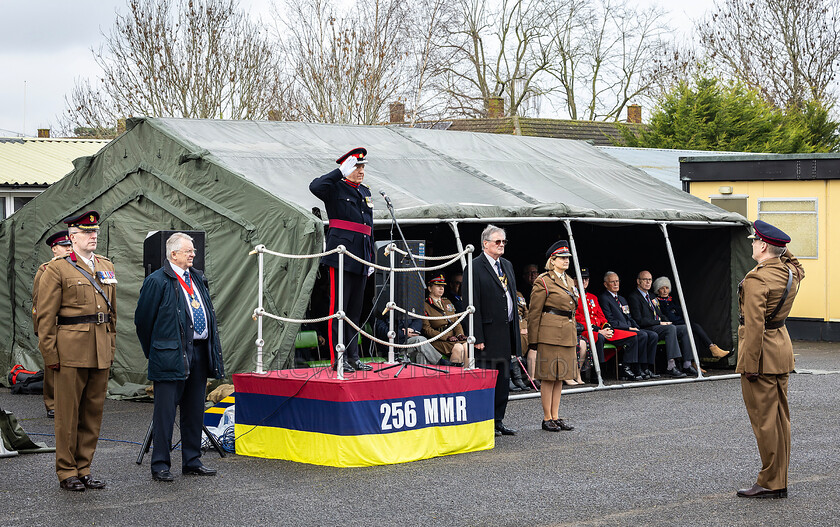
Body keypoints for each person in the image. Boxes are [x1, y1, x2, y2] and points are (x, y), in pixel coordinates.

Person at [135, 232, 225, 483]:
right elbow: (143, 321)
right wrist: (156, 352)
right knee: (164, 412)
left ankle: (192, 460)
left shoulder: (197, 277)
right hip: (170, 354)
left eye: (193, 250)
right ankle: (161, 464)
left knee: (194, 408)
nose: (193, 254)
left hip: (197, 350)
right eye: (188, 251)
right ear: (173, 254)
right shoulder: (157, 280)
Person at [36, 211, 116, 491]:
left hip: (99, 350)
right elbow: (45, 318)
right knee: (67, 416)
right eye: (86, 232)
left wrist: (111, 346)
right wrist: (50, 356)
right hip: (70, 351)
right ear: (72, 237)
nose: (93, 236)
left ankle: (85, 468)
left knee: (92, 414)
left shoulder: (106, 266)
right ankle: (66, 471)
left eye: (95, 232)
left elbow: (111, 313)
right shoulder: (56, 269)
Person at [736, 220, 804, 499]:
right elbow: (797, 264)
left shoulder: (757, 279)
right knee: (780, 421)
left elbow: (754, 327)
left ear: (763, 246)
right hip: (781, 351)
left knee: (765, 422)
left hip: (761, 356)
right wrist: (781, 249)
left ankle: (771, 482)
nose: (752, 244)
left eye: (755, 241)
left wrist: (749, 366)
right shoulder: (790, 272)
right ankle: (779, 478)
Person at [309, 147, 374, 374]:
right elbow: (315, 187)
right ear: (347, 168)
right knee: (340, 310)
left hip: (361, 255)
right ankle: (339, 357)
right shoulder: (335, 187)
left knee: (356, 310)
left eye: (363, 167)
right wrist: (339, 172)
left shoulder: (364, 191)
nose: (361, 171)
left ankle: (354, 357)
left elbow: (368, 227)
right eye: (357, 167)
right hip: (342, 254)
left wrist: (371, 257)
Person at [461, 225, 522, 437]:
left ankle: (498, 421)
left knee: (503, 379)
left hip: (505, 330)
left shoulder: (507, 265)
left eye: (504, 241)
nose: (501, 245)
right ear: (485, 243)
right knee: (486, 379)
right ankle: (484, 422)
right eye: (497, 241)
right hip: (486, 334)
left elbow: (511, 298)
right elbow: (471, 302)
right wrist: (476, 335)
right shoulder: (474, 266)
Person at [527, 241, 577, 432]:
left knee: (560, 377)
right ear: (552, 260)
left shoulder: (569, 280)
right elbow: (534, 313)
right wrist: (533, 340)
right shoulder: (543, 281)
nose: (566, 261)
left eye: (567, 258)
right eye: (562, 258)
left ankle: (555, 415)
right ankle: (547, 417)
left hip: (567, 332)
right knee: (548, 377)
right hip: (549, 334)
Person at [32, 230, 73, 418]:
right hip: (54, 325)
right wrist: (40, 330)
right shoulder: (46, 269)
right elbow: (39, 303)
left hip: (72, 326)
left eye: (70, 245)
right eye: (64, 246)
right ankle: (52, 403)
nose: (68, 249)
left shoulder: (77, 266)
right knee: (52, 366)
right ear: (54, 249)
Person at [575, 268, 643, 381]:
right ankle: (597, 373)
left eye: (586, 279)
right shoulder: (573, 297)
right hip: (586, 331)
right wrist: (597, 330)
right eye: (580, 279)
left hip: (601, 330)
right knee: (600, 337)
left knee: (632, 336)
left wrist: (606, 327)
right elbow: (577, 319)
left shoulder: (593, 297)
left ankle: (625, 368)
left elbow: (601, 316)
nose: (583, 281)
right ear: (574, 281)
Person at [628, 270, 693, 377]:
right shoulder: (634, 297)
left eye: (650, 280)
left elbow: (660, 313)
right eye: (645, 280)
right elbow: (638, 320)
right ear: (638, 281)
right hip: (648, 328)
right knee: (670, 329)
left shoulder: (652, 296)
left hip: (659, 326)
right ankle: (671, 366)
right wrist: (660, 322)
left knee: (685, 328)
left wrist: (666, 321)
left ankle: (687, 364)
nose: (648, 282)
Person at [652, 276, 731, 360]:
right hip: (671, 325)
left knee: (694, 335)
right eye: (662, 288)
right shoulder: (657, 301)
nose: (665, 291)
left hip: (680, 322)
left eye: (667, 288)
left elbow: (681, 312)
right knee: (695, 326)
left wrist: (674, 310)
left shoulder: (672, 300)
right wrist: (672, 311)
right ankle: (712, 348)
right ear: (657, 290)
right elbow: (668, 316)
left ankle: (695, 362)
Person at [599, 272, 660, 380]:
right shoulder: (604, 298)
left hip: (628, 328)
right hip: (617, 330)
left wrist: (636, 326)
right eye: (612, 282)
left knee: (653, 335)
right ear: (605, 284)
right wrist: (628, 328)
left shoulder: (622, 299)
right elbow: (610, 320)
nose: (615, 284)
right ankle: (629, 367)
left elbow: (629, 316)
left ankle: (645, 367)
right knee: (641, 335)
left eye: (617, 281)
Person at [422, 274, 467, 365]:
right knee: (458, 348)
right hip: (437, 339)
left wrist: (460, 334)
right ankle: (454, 377)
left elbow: (456, 322)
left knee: (467, 346)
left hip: (453, 339)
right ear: (430, 288)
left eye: (442, 286)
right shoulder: (424, 305)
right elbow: (427, 329)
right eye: (438, 286)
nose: (441, 288)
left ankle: (467, 376)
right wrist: (446, 337)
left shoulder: (447, 302)